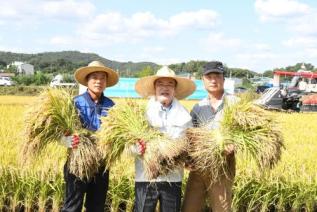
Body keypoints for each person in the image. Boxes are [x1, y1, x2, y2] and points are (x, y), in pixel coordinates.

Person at [133, 66, 196, 212]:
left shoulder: (185, 116)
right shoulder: (141, 114)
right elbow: (128, 144)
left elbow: (190, 145)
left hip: (173, 178)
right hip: (146, 177)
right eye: (160, 84)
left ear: (175, 90)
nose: (165, 88)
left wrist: (188, 159)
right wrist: (137, 148)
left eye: (170, 84)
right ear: (154, 88)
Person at [61, 61, 119, 212]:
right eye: (94, 77)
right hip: (77, 163)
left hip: (101, 165)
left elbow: (117, 136)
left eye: (102, 78)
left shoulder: (112, 106)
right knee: (72, 207)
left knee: (96, 207)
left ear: (106, 83)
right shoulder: (74, 103)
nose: (98, 81)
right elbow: (59, 135)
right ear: (87, 80)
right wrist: (68, 141)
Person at [182, 61, 236, 212]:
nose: (213, 80)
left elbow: (249, 133)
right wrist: (187, 159)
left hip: (222, 167)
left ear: (224, 79)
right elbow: (190, 137)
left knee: (222, 209)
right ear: (203, 81)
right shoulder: (198, 107)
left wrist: (234, 144)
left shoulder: (235, 104)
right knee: (189, 208)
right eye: (209, 77)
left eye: (217, 76)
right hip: (199, 167)